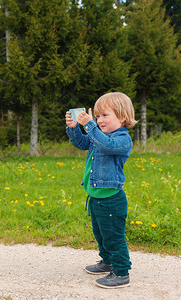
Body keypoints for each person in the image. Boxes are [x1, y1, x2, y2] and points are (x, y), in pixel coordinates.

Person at [65, 92, 137, 289]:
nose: (99, 120)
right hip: (95, 197)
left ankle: (121, 273)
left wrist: (90, 126)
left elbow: (107, 146)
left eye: (105, 115)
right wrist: (73, 129)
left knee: (113, 236)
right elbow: (81, 143)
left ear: (123, 117)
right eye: (97, 116)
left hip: (111, 199)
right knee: (101, 234)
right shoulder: (99, 136)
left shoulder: (121, 139)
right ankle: (107, 262)